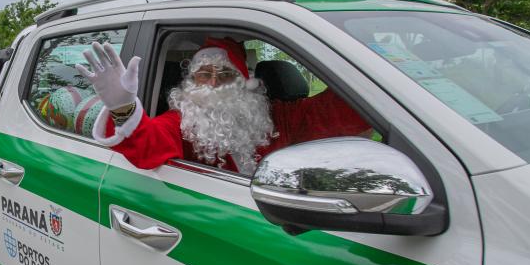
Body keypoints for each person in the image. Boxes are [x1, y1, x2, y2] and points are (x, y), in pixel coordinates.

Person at [79, 38, 371, 175]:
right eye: (203, 74)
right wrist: (122, 107)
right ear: (191, 82)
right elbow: (149, 144)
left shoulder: (277, 118)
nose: (214, 83)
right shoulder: (182, 121)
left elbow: (335, 112)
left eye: (226, 74)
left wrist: (375, 69)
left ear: (245, 82)